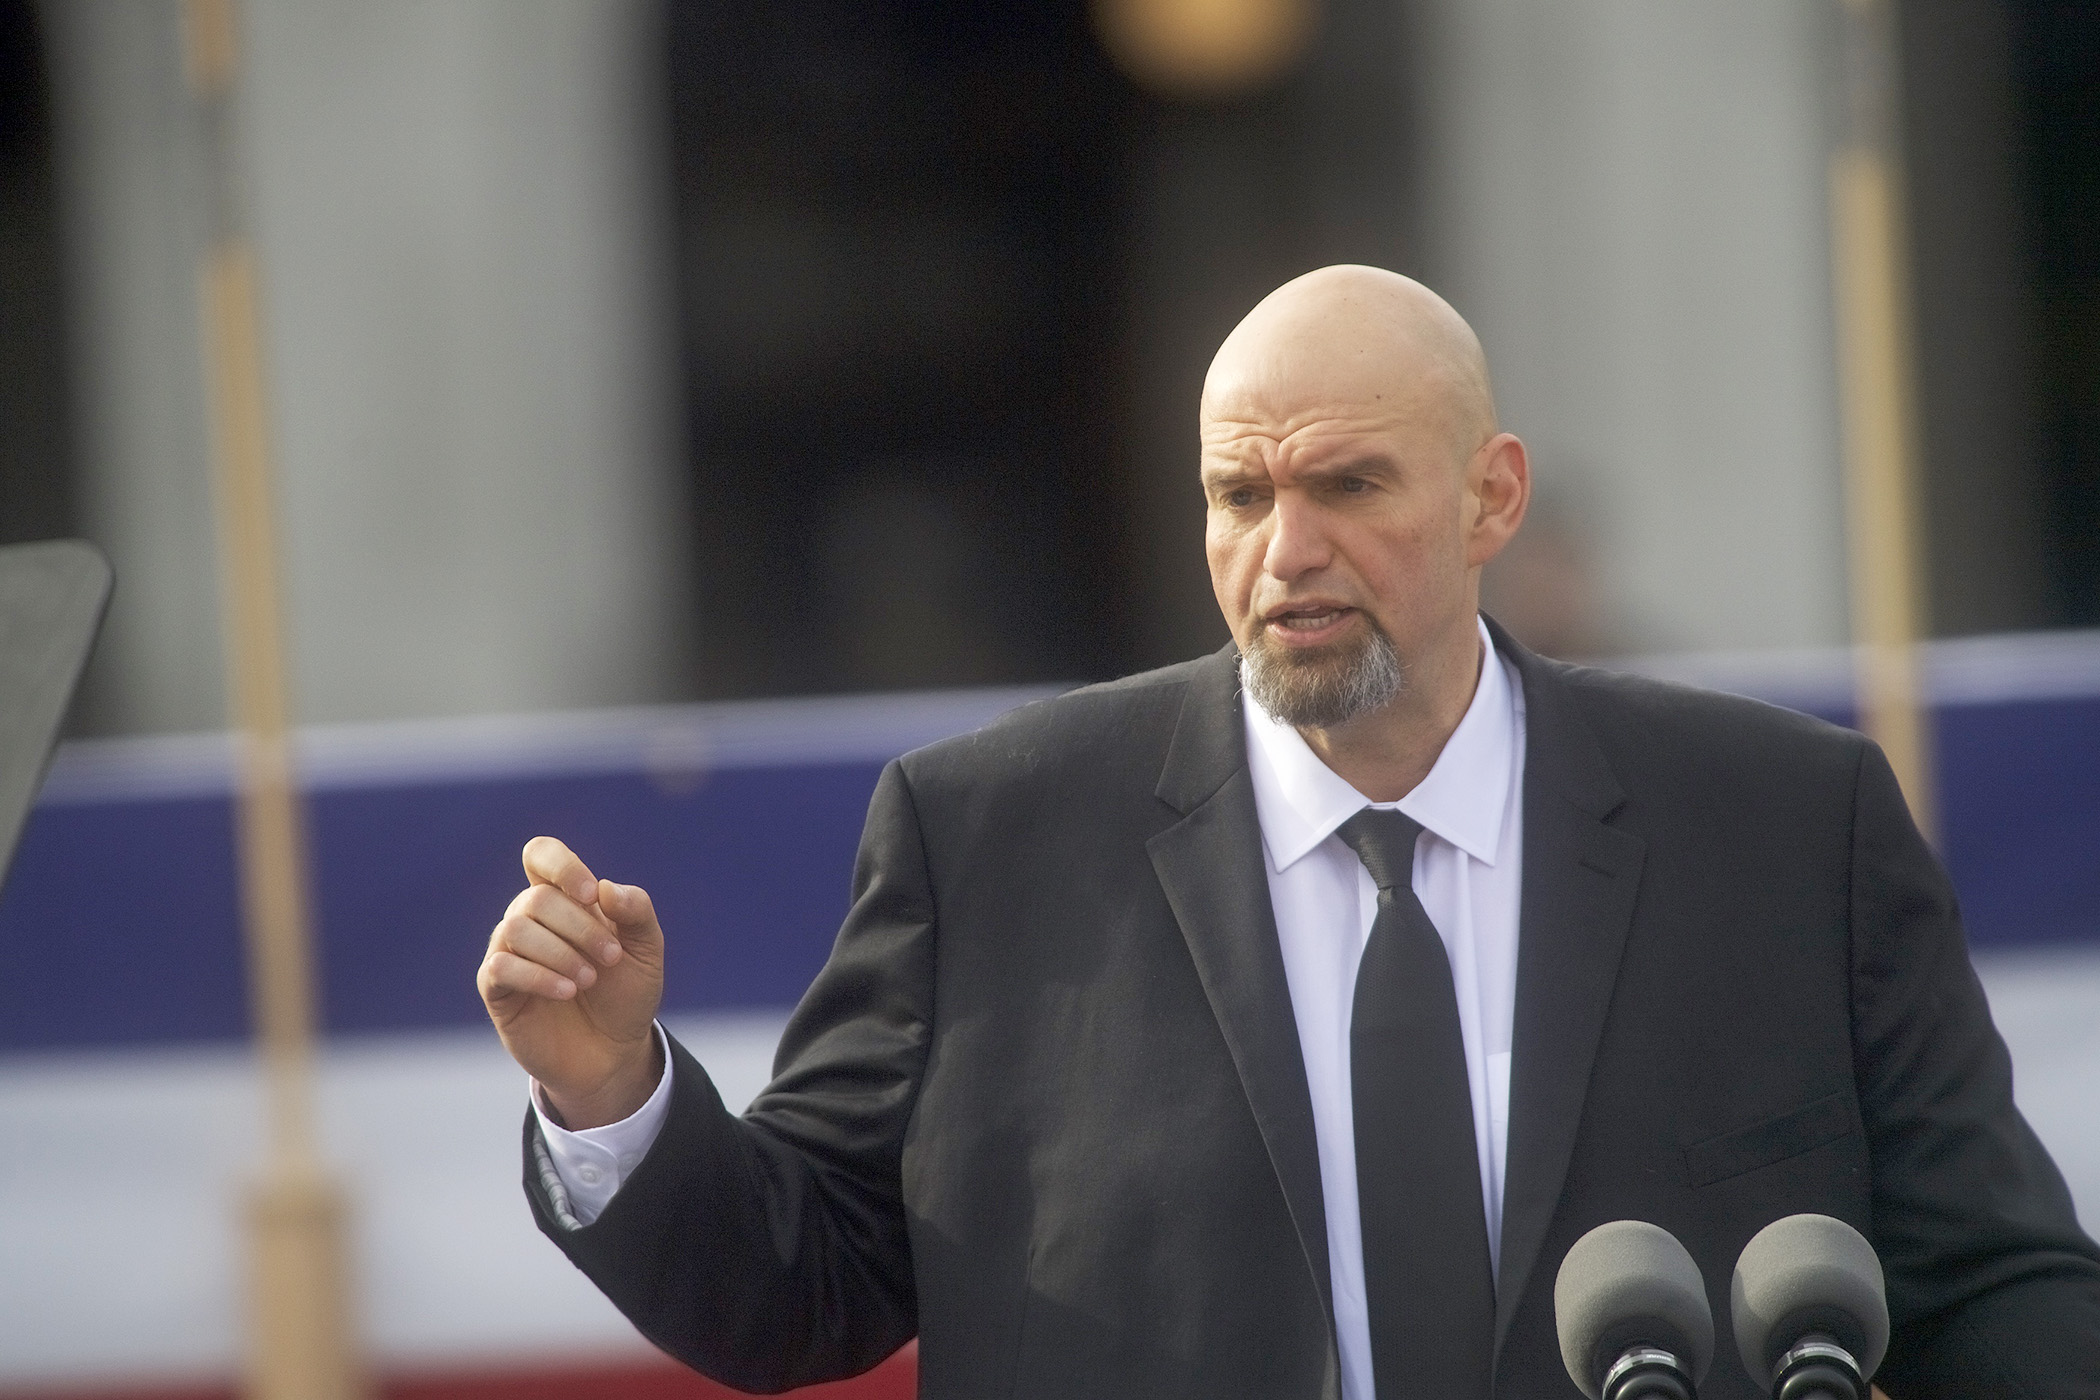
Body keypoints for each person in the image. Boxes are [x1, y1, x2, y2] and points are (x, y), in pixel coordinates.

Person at [478, 266, 2100, 1399]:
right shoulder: (989, 837)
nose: (1288, 552)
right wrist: (605, 1089)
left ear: (1492, 498)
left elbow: (1993, 1285)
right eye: (1241, 497)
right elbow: (797, 1290)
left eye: (1348, 485)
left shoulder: (1780, 829)